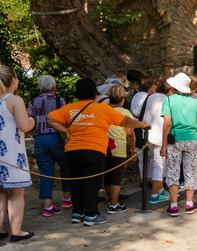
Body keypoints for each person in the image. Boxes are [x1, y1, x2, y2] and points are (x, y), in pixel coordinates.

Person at [46, 79, 150, 226]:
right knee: (92, 183)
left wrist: (65, 131)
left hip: (72, 151)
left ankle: (77, 212)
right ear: (94, 94)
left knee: (76, 181)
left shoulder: (69, 108)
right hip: (94, 150)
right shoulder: (102, 108)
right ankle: (91, 214)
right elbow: (125, 121)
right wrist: (143, 124)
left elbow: (49, 117)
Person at [0, 66, 35, 242]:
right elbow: (24, 126)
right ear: (13, 80)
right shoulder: (14, 100)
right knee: (16, 192)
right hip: (10, 152)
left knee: (1, 191)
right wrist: (33, 121)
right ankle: (16, 231)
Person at [27, 75, 72, 217]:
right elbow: (66, 119)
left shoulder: (33, 101)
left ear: (39, 87)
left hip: (39, 138)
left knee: (45, 172)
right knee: (66, 167)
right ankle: (67, 199)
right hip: (55, 137)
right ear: (54, 87)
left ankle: (47, 206)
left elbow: (29, 118)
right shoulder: (59, 100)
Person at [161, 73, 197, 216]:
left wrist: (164, 144)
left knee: (173, 171)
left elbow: (167, 123)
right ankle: (189, 204)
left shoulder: (169, 100)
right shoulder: (195, 102)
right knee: (190, 171)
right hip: (192, 139)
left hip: (175, 139)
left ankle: (173, 206)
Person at [104, 84, 136, 214]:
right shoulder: (125, 113)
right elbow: (129, 133)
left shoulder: (104, 110)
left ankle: (110, 200)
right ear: (123, 98)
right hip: (119, 147)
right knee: (116, 178)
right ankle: (113, 204)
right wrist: (133, 149)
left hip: (105, 146)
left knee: (107, 175)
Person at [142, 77, 170, 203]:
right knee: (159, 166)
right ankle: (154, 195)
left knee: (155, 162)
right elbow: (166, 122)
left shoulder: (151, 97)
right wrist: (165, 143)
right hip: (160, 135)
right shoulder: (166, 100)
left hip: (149, 134)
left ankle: (159, 190)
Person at [129, 75, 156, 182]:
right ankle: (148, 178)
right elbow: (138, 113)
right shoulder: (145, 97)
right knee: (149, 156)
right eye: (154, 86)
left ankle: (143, 178)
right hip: (142, 129)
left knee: (142, 157)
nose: (155, 88)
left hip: (136, 129)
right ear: (149, 87)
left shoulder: (137, 95)